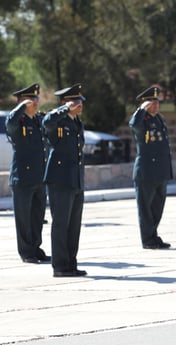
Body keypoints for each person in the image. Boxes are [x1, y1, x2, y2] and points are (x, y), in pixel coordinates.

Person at [42, 83, 87, 277]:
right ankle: (60, 266)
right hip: (59, 180)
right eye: (75, 102)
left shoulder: (77, 123)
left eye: (80, 102)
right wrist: (64, 109)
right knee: (61, 223)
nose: (79, 105)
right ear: (64, 103)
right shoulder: (57, 121)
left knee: (74, 225)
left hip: (75, 180)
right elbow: (46, 121)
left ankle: (71, 263)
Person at [5, 83, 50, 264]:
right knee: (24, 218)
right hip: (23, 177)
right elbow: (10, 122)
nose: (35, 102)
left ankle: (36, 247)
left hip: (40, 176)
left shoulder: (38, 120)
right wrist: (22, 106)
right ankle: (26, 252)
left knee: (38, 216)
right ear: (22, 102)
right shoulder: (17, 122)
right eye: (31, 99)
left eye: (36, 99)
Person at [129, 86, 172, 250]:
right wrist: (141, 109)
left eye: (157, 102)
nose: (155, 105)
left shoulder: (159, 119)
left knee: (157, 207)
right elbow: (133, 124)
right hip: (146, 172)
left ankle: (154, 235)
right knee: (145, 208)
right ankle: (147, 239)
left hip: (161, 171)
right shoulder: (142, 121)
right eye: (151, 102)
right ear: (145, 104)